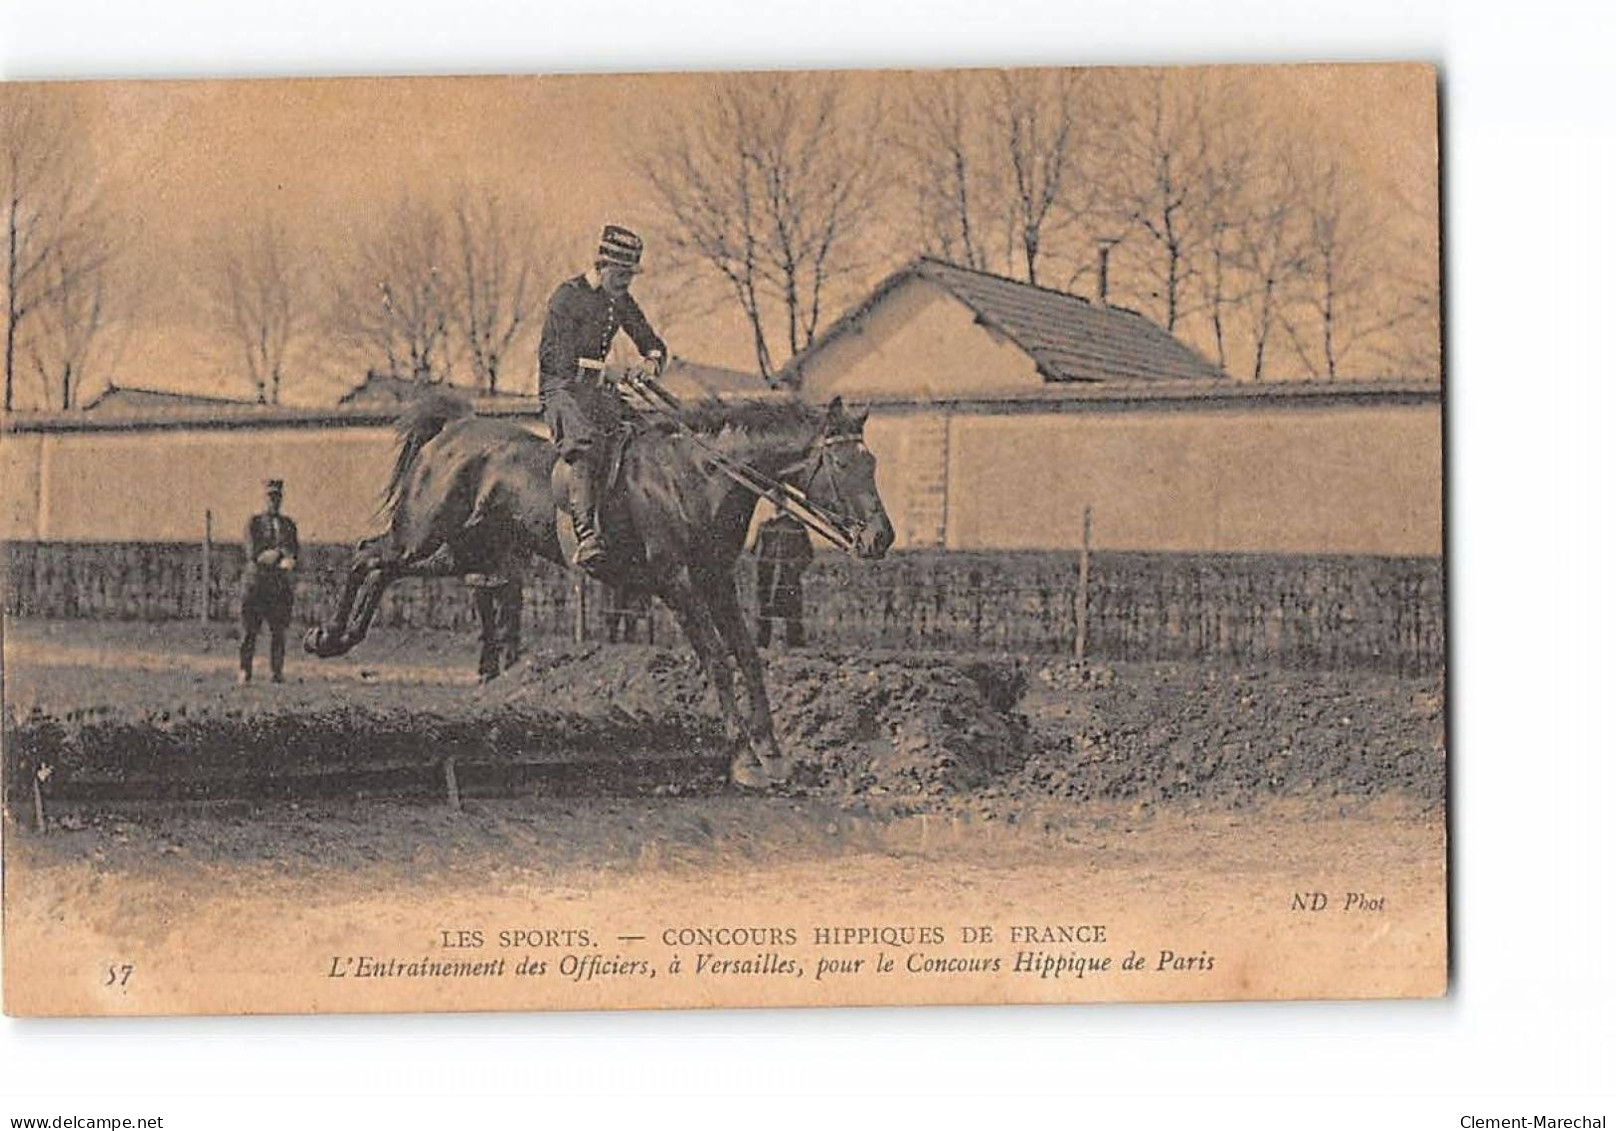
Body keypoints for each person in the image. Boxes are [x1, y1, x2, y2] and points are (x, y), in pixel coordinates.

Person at [537, 224, 667, 571]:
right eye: (621, 274)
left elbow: (650, 340)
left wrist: (651, 363)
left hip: (598, 394)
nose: (626, 283)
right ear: (603, 265)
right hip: (562, 391)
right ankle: (587, 538)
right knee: (584, 444)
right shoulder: (567, 296)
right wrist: (608, 372)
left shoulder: (620, 300)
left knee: (644, 435)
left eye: (631, 275)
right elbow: (556, 361)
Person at [238, 478, 300, 684]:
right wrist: (279, 554)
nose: (274, 501)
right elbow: (254, 554)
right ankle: (244, 671)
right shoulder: (254, 523)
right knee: (249, 632)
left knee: (279, 632)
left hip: (279, 587)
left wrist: (287, 557)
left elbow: (295, 554)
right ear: (264, 498)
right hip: (256, 586)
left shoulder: (289, 525)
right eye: (270, 497)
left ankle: (276, 672)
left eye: (277, 497)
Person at [752, 507, 814, 649]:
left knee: (792, 608)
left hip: (788, 575)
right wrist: (763, 566)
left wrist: (795, 569)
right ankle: (763, 642)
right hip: (768, 574)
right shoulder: (765, 526)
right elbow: (755, 551)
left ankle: (794, 643)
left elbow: (808, 553)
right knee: (764, 608)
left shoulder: (796, 526)